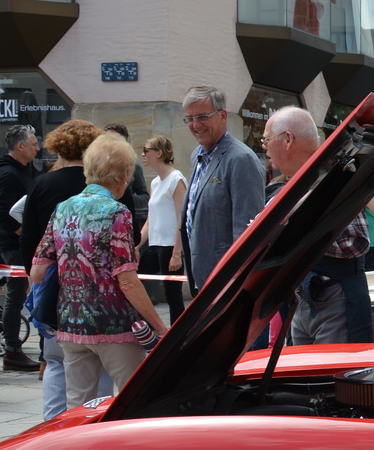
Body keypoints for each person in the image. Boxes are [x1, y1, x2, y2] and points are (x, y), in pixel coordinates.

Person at [29, 133, 168, 410]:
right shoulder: (117, 212)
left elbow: (37, 272)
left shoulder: (62, 209)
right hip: (113, 325)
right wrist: (159, 326)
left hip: (71, 324)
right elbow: (126, 281)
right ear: (124, 173)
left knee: (77, 405)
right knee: (133, 401)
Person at [261, 107, 372, 344]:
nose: (264, 147)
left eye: (266, 139)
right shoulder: (302, 179)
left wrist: (293, 234)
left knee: (330, 378)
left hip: (335, 299)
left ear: (287, 139)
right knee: (304, 378)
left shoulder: (332, 176)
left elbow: (356, 243)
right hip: (305, 296)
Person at [21, 119, 107, 420]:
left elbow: (29, 241)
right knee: (102, 358)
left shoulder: (43, 184)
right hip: (96, 287)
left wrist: (36, 282)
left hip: (54, 284)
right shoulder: (100, 186)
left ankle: (52, 425)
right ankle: (100, 419)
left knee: (56, 361)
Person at [179, 86, 266, 296]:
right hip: (202, 278)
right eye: (189, 119)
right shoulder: (197, 156)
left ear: (222, 116)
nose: (195, 125)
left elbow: (247, 232)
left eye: (202, 117)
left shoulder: (240, 159)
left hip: (226, 283)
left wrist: (236, 283)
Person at [0, 124, 42, 370]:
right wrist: (25, 235)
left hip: (23, 242)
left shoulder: (26, 170)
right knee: (16, 295)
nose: (38, 149)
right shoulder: (8, 175)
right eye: (33, 145)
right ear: (20, 146)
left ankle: (15, 349)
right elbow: (2, 214)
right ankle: (12, 350)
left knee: (21, 294)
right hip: (14, 245)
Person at [137, 135, 186, 324]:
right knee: (135, 282)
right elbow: (151, 219)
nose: (142, 154)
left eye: (146, 150)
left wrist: (177, 252)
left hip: (170, 245)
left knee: (173, 294)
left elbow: (182, 216)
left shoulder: (176, 179)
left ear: (159, 153)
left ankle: (178, 334)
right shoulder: (156, 182)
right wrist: (136, 245)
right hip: (155, 244)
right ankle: (146, 326)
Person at [102, 122, 147, 238]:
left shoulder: (133, 167)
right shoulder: (98, 166)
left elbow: (145, 197)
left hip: (124, 222)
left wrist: (126, 196)